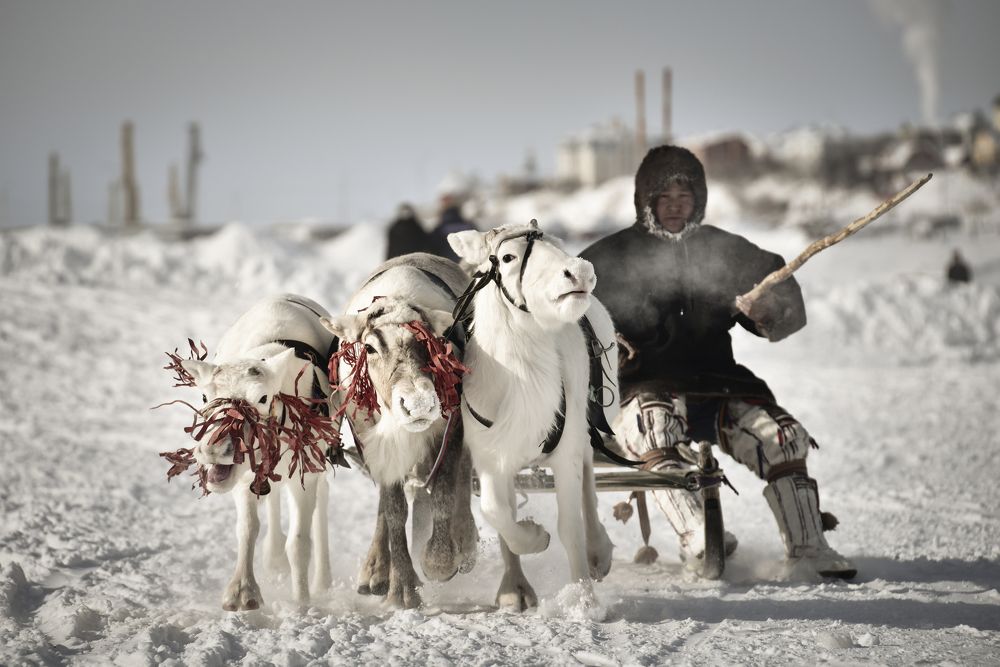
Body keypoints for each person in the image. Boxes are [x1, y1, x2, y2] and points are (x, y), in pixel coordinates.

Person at [580, 145, 856, 579]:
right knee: (655, 429)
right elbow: (568, 316)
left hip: (718, 382)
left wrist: (768, 308)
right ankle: (698, 536)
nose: (675, 206)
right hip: (642, 385)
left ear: (700, 200)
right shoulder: (608, 258)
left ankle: (809, 549)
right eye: (665, 198)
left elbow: (783, 295)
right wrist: (602, 339)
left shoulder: (724, 251)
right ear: (645, 201)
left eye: (684, 197)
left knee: (783, 438)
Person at [429, 194, 476, 262]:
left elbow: (433, 248)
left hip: (447, 264)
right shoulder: (468, 225)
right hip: (470, 263)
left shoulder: (439, 229)